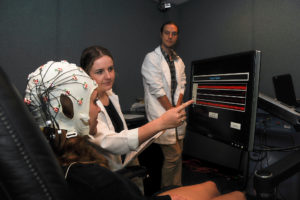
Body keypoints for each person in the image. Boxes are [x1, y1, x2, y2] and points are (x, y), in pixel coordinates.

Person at [24, 60, 246, 200]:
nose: (98, 110)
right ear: (72, 109)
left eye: (111, 69)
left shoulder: (47, 156)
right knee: (233, 193)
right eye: (92, 102)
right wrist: (161, 122)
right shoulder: (93, 178)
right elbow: (113, 142)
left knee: (210, 186)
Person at [141, 21, 186, 188]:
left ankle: (178, 187)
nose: (170, 36)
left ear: (177, 36)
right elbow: (156, 88)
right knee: (173, 156)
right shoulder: (151, 58)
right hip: (162, 114)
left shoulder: (179, 61)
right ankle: (167, 191)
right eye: (167, 33)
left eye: (174, 33)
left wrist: (178, 108)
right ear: (161, 35)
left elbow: (182, 84)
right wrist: (171, 112)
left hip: (176, 113)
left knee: (178, 156)